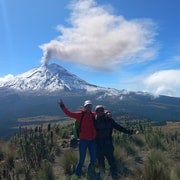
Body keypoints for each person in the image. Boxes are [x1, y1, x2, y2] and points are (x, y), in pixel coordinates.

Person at [94, 105, 139, 179]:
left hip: (107, 144)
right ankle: (103, 176)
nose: (100, 112)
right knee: (101, 163)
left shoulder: (109, 120)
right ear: (95, 112)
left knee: (111, 162)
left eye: (101, 111)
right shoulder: (94, 120)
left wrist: (130, 132)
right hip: (99, 145)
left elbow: (119, 128)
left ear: (103, 111)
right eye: (98, 111)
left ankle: (114, 176)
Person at [58, 99, 96, 177]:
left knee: (93, 159)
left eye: (90, 106)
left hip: (92, 140)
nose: (89, 107)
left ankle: (90, 172)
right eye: (87, 106)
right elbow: (69, 113)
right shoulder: (80, 114)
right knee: (81, 160)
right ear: (84, 107)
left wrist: (107, 112)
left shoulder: (93, 114)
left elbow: (101, 111)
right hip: (83, 141)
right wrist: (62, 106)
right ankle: (77, 174)